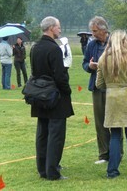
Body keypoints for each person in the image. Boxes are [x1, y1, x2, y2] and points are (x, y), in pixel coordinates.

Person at [96, 30, 127, 178]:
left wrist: (111, 88)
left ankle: (112, 170)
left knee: (115, 136)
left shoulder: (103, 59)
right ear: (121, 42)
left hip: (112, 99)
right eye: (126, 40)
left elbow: (99, 84)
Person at [31, 16, 74, 180]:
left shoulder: (35, 47)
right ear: (51, 28)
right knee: (56, 135)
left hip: (39, 95)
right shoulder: (53, 49)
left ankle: (42, 169)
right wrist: (67, 91)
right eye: (58, 27)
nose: (60, 30)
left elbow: (35, 72)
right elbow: (60, 76)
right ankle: (53, 172)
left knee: (42, 133)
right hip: (54, 97)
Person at [82, 16, 111, 164]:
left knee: (114, 121)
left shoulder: (114, 43)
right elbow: (85, 63)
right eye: (92, 31)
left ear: (103, 29)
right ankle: (104, 154)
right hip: (97, 87)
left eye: (95, 31)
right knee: (100, 122)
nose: (92, 34)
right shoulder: (91, 45)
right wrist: (90, 66)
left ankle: (117, 152)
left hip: (113, 87)